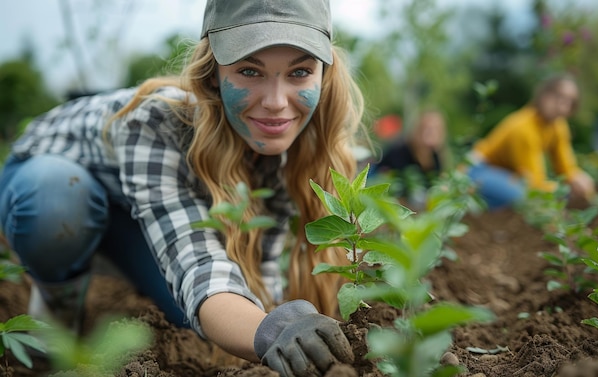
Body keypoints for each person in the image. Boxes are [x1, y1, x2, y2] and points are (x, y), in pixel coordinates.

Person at [0, 0, 368, 375]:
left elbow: (256, 269)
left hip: (133, 214)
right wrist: (269, 331)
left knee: (196, 318)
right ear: (213, 75)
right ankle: (56, 305)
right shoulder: (156, 122)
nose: (276, 103)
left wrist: (273, 322)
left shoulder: (293, 142)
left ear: (324, 75)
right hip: (53, 187)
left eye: (299, 72)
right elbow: (199, 267)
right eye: (249, 71)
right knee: (56, 201)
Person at [466, 74, 596, 210]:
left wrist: (578, 179)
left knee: (556, 195)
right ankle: (471, 201)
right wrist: (562, 190)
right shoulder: (524, 129)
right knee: (522, 196)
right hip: (478, 169)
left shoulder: (558, 126)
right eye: (559, 97)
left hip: (507, 174)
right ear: (544, 95)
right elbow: (534, 184)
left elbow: (565, 168)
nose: (563, 106)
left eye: (570, 101)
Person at [370, 110, 448, 208]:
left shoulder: (435, 156)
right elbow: (386, 180)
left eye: (435, 129)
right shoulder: (400, 150)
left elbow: (438, 181)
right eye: (427, 128)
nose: (430, 133)